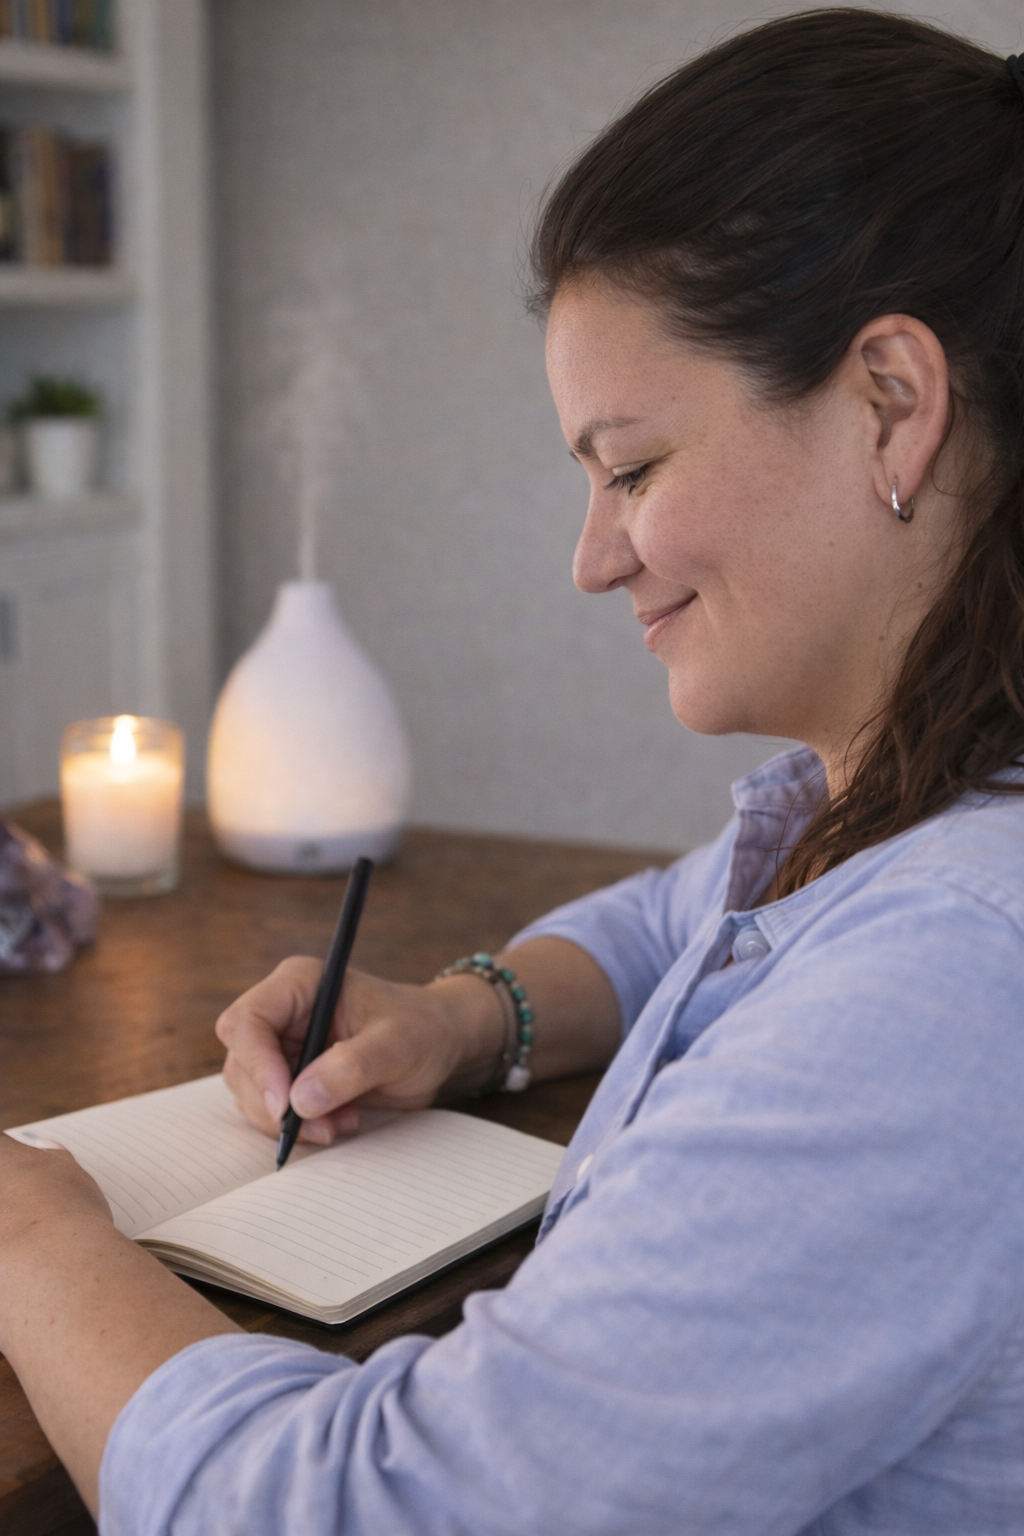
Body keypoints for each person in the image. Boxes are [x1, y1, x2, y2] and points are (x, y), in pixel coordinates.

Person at [3, 9, 1024, 1532]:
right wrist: (463, 1017)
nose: (593, 559)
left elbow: (361, 1512)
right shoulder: (901, 809)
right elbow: (685, 915)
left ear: (892, 399)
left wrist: (32, 1239)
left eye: (633, 468)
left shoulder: (951, 976)